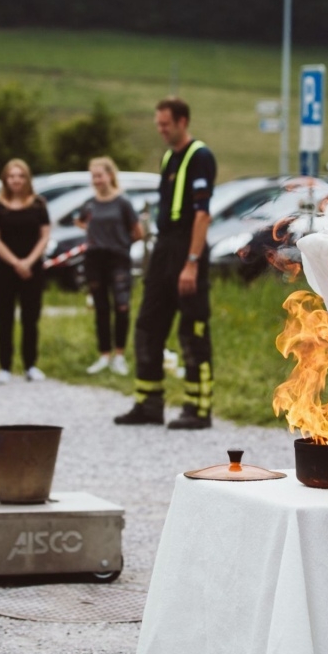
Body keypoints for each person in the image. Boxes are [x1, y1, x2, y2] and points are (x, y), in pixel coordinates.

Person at [115, 97, 216, 430]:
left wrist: (192, 263)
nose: (160, 130)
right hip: (163, 248)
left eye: (165, 124)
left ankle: (198, 409)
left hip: (188, 248)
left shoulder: (200, 156)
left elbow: (202, 215)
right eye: (158, 124)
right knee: (147, 325)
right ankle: (149, 403)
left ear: (182, 122)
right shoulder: (168, 157)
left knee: (192, 330)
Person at [0, 158, 51, 383]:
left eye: (20, 176)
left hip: (32, 269)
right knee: (4, 318)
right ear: (5, 179)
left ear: (27, 179)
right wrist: (15, 262)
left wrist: (29, 262)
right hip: (3, 269)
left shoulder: (38, 205)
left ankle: (30, 364)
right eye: (12, 176)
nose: (16, 180)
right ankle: (5, 366)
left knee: (30, 317)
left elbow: (44, 235)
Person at [78, 156, 143, 376]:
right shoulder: (90, 204)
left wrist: (120, 242)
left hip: (118, 259)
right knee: (101, 308)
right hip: (94, 260)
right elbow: (80, 222)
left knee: (122, 306)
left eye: (100, 175)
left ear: (110, 175)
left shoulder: (122, 202)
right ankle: (104, 355)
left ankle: (120, 356)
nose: (97, 180)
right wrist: (95, 235)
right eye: (93, 176)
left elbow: (138, 232)